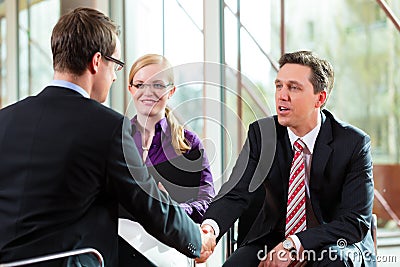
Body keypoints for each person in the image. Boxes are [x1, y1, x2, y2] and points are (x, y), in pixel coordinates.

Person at [0, 7, 215, 266]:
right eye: (116, 66)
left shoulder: (5, 120)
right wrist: (196, 241)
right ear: (97, 62)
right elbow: (148, 203)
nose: (114, 77)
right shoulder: (108, 126)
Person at [201, 51, 376, 266]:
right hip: (273, 237)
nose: (282, 95)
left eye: (293, 87)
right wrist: (210, 229)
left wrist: (295, 244)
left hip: (333, 242)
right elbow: (236, 192)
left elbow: (354, 222)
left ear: (319, 98)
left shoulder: (353, 143)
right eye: (278, 86)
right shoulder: (262, 134)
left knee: (335, 262)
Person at [118, 54, 215, 266]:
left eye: (158, 85)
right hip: (121, 243)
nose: (148, 92)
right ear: (130, 89)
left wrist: (174, 210)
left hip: (170, 246)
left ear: (171, 91)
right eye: (140, 84)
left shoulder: (189, 144)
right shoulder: (116, 138)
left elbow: (207, 199)